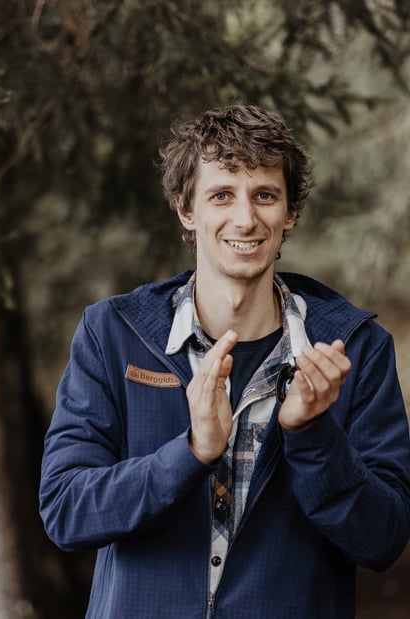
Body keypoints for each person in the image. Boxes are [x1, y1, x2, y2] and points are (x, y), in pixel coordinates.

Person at [38, 103, 410, 618]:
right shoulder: (112, 335)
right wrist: (191, 453)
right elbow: (66, 511)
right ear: (186, 209)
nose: (246, 218)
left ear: (290, 212)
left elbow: (383, 539)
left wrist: (312, 434)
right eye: (221, 195)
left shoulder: (355, 348)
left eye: (265, 196)